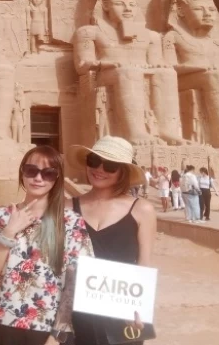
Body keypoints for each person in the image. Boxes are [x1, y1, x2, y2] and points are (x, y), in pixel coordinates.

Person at [0, 145, 93, 345]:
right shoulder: (1, 216)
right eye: (31, 171)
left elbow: (76, 282)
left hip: (46, 328)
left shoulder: (71, 222)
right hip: (1, 320)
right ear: (22, 172)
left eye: (48, 173)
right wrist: (9, 232)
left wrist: (58, 333)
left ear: (57, 178)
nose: (38, 178)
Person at [66, 136, 157, 345]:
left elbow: (144, 263)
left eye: (110, 165)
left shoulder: (142, 209)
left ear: (122, 172)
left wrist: (140, 306)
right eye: (94, 161)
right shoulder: (68, 207)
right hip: (77, 309)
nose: (99, 169)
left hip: (121, 308)